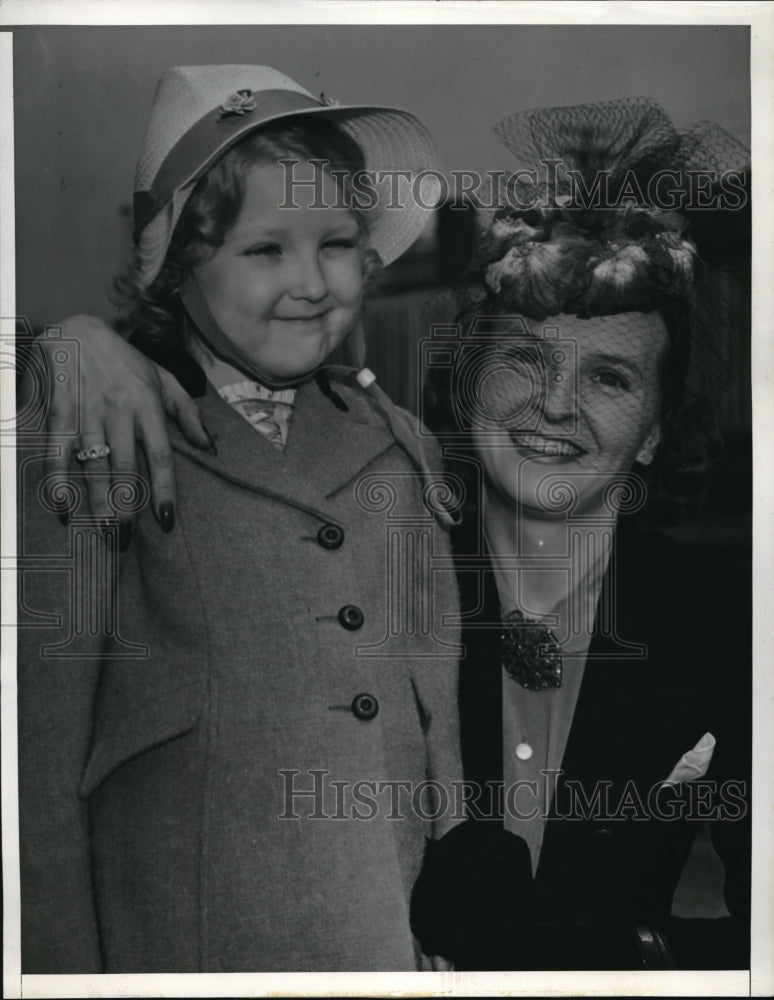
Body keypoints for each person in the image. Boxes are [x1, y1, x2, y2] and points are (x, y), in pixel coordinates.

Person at [17, 64, 462, 973]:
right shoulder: (100, 432)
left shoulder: (398, 444)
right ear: (179, 264)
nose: (311, 284)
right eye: (266, 251)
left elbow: (435, 723)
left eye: (337, 243)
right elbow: (35, 773)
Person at [409, 97, 752, 970]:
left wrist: (636, 962)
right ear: (465, 381)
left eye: (608, 376)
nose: (556, 405)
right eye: (524, 359)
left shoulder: (729, 622)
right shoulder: (378, 582)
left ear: (656, 429)